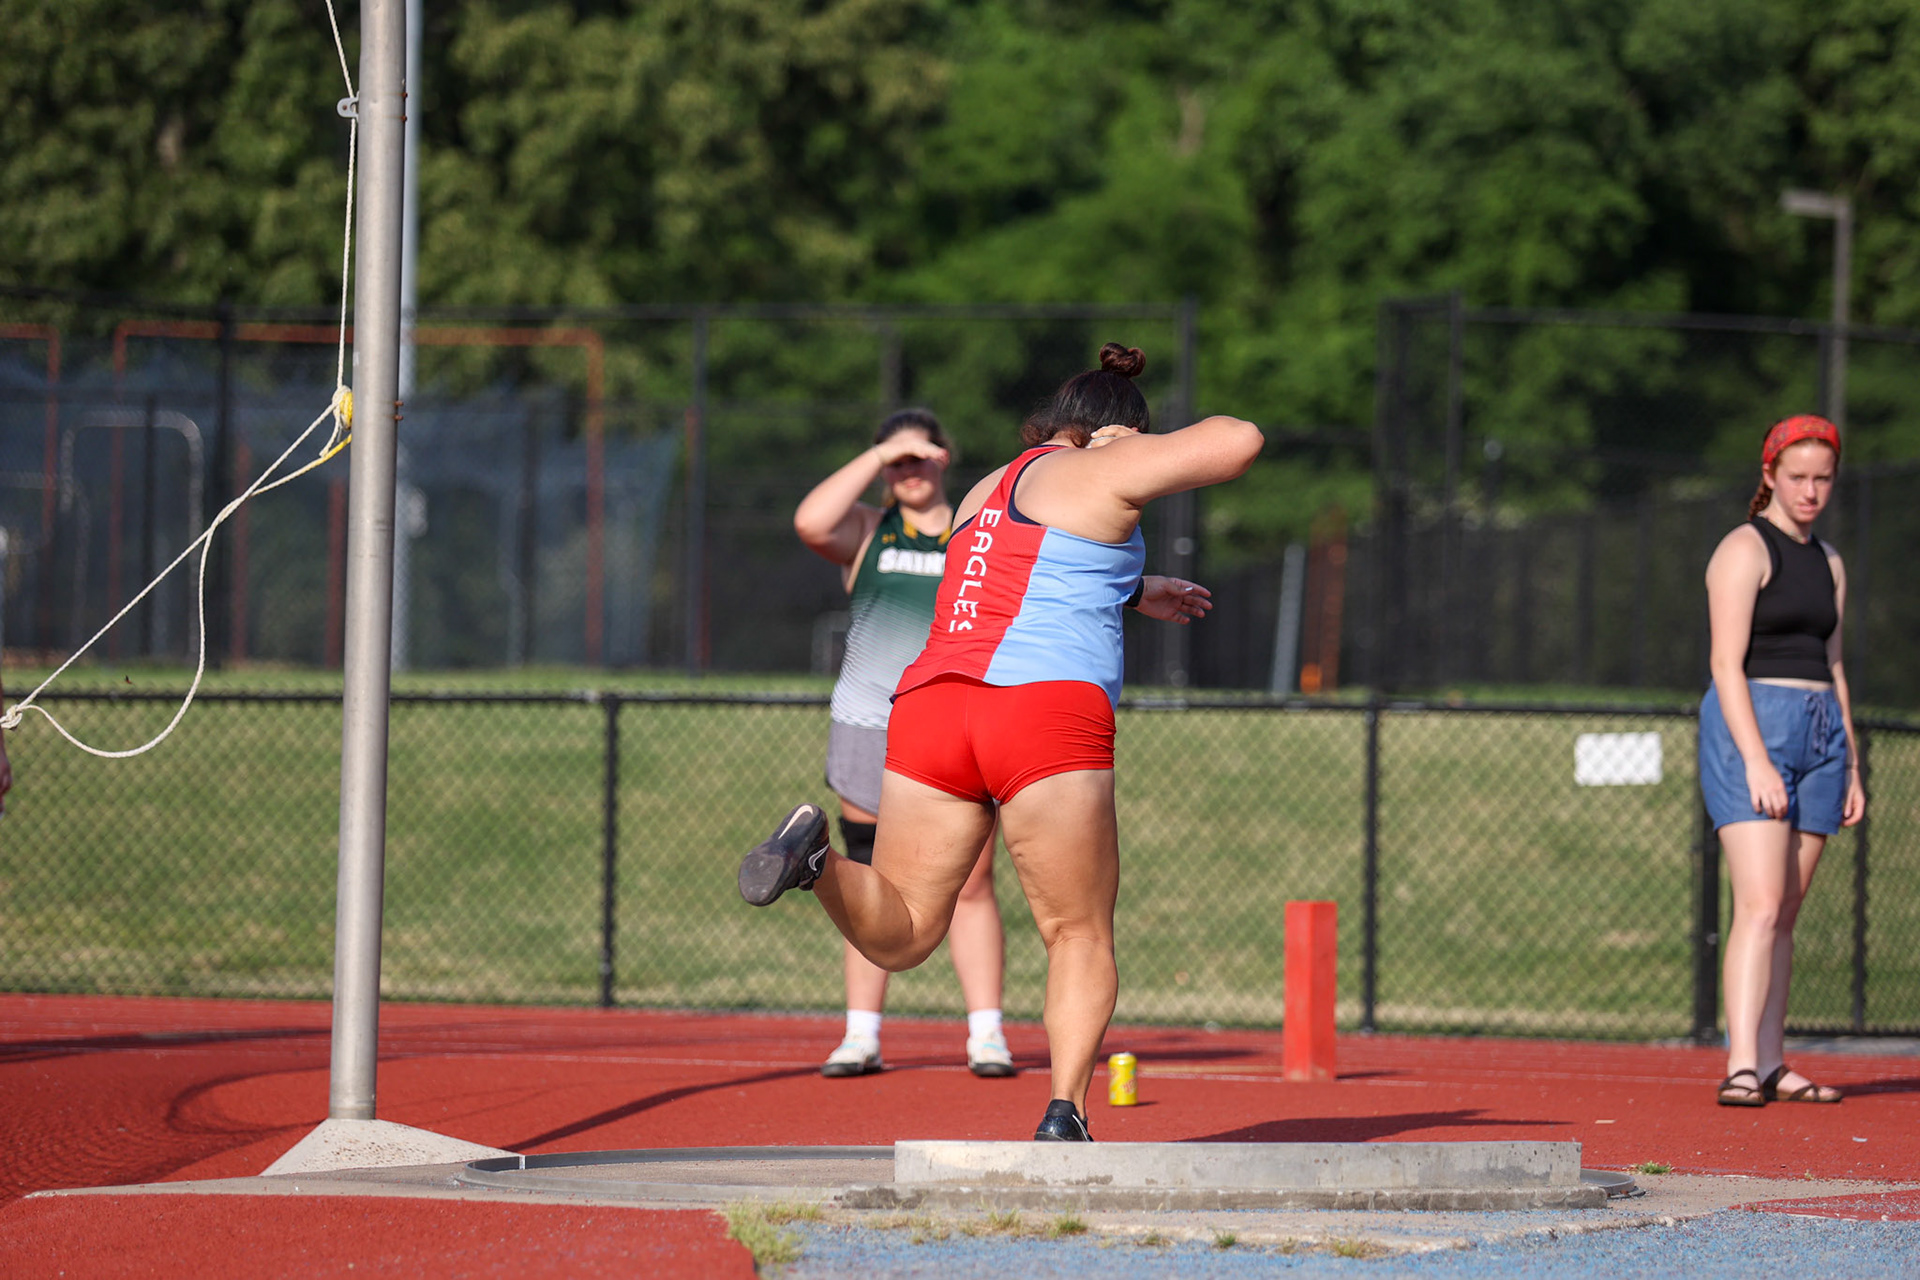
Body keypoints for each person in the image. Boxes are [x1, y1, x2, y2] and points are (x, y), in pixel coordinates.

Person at [741, 342, 1261, 1141]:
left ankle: (817, 861)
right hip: (1043, 710)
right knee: (1077, 931)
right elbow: (1240, 439)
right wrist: (1129, 450)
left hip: (928, 705)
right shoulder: (1105, 464)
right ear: (1110, 432)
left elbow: (1022, 574)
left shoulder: (986, 486)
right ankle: (1065, 1113)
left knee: (909, 933)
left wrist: (1133, 589)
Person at [792, 409, 1015, 1079]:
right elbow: (810, 523)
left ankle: (987, 1034)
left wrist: (917, 454)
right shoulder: (869, 528)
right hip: (868, 722)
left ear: (946, 458)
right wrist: (881, 453)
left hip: (949, 720)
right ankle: (861, 1034)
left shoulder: (975, 531)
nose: (910, 470)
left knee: (972, 881)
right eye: (899, 462)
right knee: (866, 871)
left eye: (922, 456)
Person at [1702, 414, 1864, 1107]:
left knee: (1788, 909)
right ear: (1769, 474)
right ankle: (1740, 1062)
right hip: (1754, 726)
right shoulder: (1743, 548)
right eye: (1797, 477)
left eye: (1823, 479)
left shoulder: (1828, 561)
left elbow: (1834, 664)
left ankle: (1771, 1061)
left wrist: (1850, 760)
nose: (1811, 491)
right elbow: (1724, 663)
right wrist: (1758, 760)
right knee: (1761, 904)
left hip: (1821, 731)